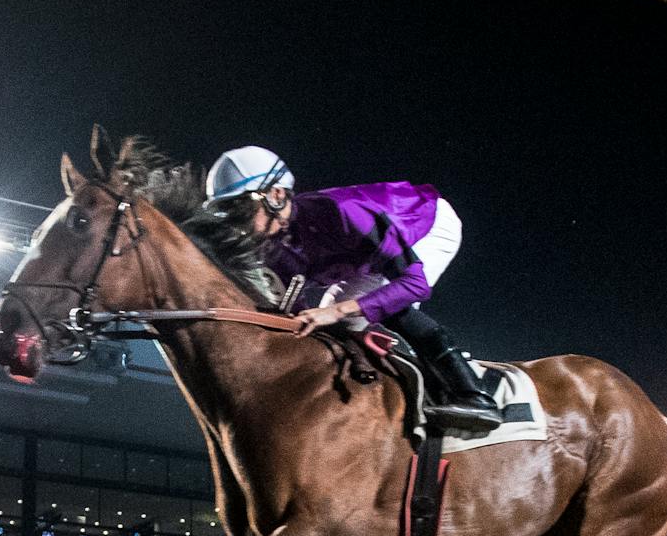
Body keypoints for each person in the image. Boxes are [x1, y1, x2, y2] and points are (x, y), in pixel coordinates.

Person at [205, 145, 502, 433]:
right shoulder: (272, 249)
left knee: (380, 307)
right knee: (342, 321)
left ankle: (472, 394)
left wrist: (335, 311)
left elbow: (414, 284)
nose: (236, 226)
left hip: (427, 225)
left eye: (240, 211)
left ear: (276, 195)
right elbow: (293, 318)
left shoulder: (343, 213)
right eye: (228, 215)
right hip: (367, 259)